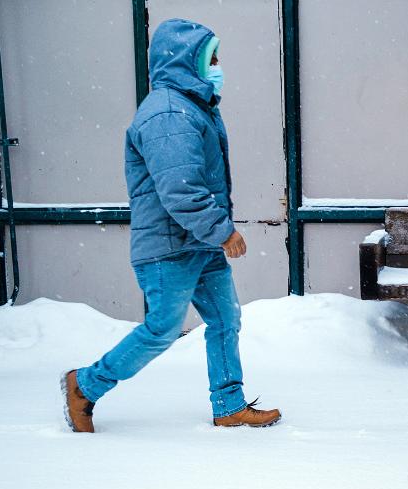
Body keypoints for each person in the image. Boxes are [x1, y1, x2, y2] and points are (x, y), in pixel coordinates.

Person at [61, 18, 281, 432]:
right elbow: (181, 191)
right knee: (162, 330)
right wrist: (224, 231)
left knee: (225, 320)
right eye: (211, 58)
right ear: (186, 60)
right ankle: (85, 385)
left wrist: (211, 234)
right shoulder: (167, 113)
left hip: (196, 244)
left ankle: (229, 406)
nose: (218, 65)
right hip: (169, 248)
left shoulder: (191, 106)